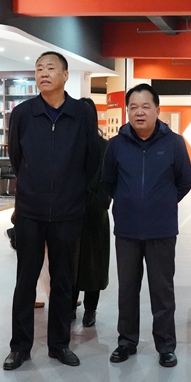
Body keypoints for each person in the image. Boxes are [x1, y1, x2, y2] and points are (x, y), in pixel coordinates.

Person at [3, 51, 100, 370]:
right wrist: (33, 186)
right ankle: (20, 347)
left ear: (65, 75)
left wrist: (73, 190)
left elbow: (91, 159)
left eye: (50, 68)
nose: (43, 73)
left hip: (68, 211)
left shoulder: (81, 113)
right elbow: (16, 157)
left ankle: (59, 344)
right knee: (25, 279)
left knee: (63, 280)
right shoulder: (23, 113)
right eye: (39, 69)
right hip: (30, 211)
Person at [102, 83, 191, 367]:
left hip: (161, 230)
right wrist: (127, 202)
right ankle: (126, 342)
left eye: (145, 106)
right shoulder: (116, 144)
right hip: (127, 230)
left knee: (162, 290)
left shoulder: (174, 143)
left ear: (157, 110)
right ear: (127, 111)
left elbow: (185, 181)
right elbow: (107, 181)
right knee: (127, 289)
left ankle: (165, 345)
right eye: (133, 107)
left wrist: (162, 202)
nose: (139, 112)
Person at [71, 97, 111, 327]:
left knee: (93, 264)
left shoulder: (105, 147)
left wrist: (98, 202)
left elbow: (109, 180)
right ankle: (69, 305)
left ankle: (90, 309)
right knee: (70, 263)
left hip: (96, 214)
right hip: (70, 213)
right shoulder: (68, 144)